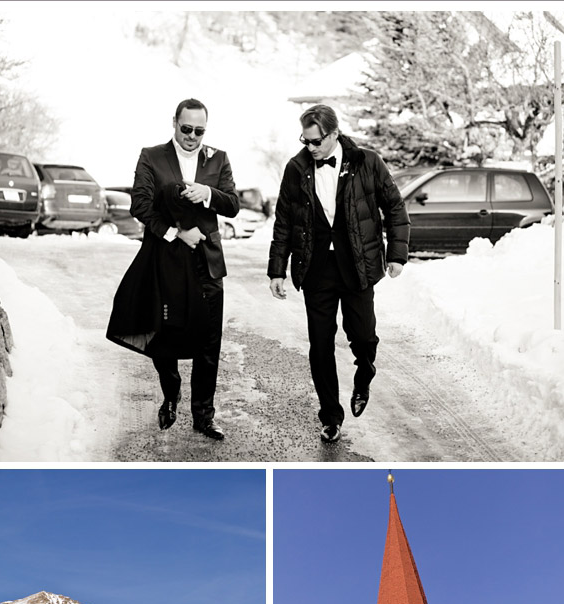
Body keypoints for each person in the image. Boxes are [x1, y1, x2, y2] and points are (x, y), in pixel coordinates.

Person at [268, 105, 410, 443]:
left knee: (363, 336)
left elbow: (394, 208)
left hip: (357, 265)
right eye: (305, 140)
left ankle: (365, 373)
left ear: (333, 134)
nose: (310, 147)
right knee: (320, 345)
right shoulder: (296, 168)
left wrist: (397, 254)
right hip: (316, 267)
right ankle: (330, 416)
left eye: (316, 141)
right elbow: (284, 222)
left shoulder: (367, 162)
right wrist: (277, 270)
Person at [107, 98, 240, 440]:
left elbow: (233, 205)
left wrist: (207, 193)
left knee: (210, 342)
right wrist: (176, 233)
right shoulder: (152, 156)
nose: (193, 136)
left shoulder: (218, 159)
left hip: (207, 262)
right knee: (163, 334)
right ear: (174, 123)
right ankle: (171, 389)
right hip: (166, 260)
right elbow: (140, 204)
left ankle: (204, 416)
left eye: (199, 130)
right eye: (186, 128)